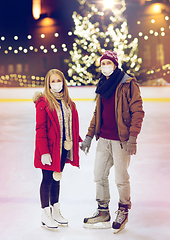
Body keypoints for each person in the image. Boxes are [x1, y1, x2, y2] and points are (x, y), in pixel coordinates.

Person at [80, 51, 145, 233]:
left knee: (121, 178)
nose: (105, 66)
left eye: (109, 63)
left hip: (121, 140)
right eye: (103, 63)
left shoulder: (128, 83)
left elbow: (138, 111)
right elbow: (97, 114)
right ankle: (103, 212)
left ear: (115, 65)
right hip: (104, 139)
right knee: (98, 175)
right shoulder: (102, 85)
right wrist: (89, 136)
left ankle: (123, 210)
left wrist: (133, 138)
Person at [33, 69, 81, 231]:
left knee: (57, 178)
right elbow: (41, 128)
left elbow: (70, 125)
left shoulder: (68, 102)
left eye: (58, 80)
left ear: (63, 82)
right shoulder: (43, 102)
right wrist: (44, 151)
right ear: (48, 83)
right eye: (52, 81)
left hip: (62, 148)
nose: (56, 84)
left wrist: (78, 141)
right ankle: (45, 213)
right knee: (47, 179)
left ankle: (56, 210)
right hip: (48, 149)